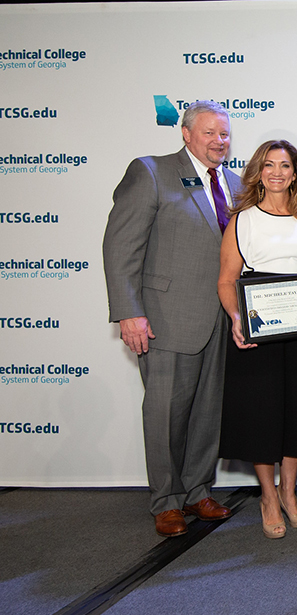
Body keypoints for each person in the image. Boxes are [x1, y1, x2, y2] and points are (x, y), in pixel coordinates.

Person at [102, 101, 238, 537]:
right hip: (165, 317)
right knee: (165, 413)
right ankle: (165, 500)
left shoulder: (235, 184)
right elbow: (121, 248)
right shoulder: (150, 172)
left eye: (225, 134)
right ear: (186, 133)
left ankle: (198, 491)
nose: (219, 141)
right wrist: (128, 312)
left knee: (207, 412)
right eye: (210, 132)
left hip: (224, 318)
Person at [217, 140, 297, 539]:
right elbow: (226, 280)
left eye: (285, 165)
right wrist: (236, 317)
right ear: (258, 171)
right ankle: (268, 496)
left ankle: (289, 492)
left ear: (295, 172)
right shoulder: (242, 220)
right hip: (259, 329)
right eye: (269, 165)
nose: (277, 172)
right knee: (261, 416)